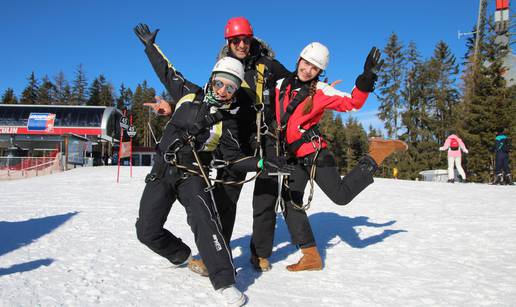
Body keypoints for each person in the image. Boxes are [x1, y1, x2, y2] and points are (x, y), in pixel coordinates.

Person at [135, 56, 274, 306]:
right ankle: (180, 255)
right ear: (212, 80)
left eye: (230, 88)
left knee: (205, 221)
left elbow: (234, 160)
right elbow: (166, 71)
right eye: (220, 83)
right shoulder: (188, 93)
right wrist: (149, 47)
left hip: (192, 174)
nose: (222, 91)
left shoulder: (227, 123)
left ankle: (224, 281)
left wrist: (262, 163)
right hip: (162, 171)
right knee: (146, 231)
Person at [269, 42, 407, 271]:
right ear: (298, 60)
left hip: (316, 154)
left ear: (319, 71)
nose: (308, 70)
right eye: (306, 63)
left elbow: (353, 103)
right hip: (292, 157)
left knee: (341, 197)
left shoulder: (322, 91)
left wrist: (366, 77)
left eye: (314, 68)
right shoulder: (279, 86)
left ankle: (376, 154)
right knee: (290, 202)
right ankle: (311, 256)